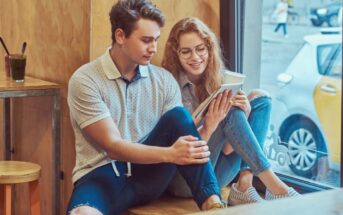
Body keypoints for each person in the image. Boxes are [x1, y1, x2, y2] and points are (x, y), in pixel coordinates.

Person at [66, 1, 225, 214]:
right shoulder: (86, 80)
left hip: (150, 176)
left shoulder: (164, 80)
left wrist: (205, 130)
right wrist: (170, 154)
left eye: (156, 40)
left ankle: (213, 204)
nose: (154, 48)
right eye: (146, 40)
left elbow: (182, 132)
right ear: (120, 36)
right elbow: (113, 146)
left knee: (178, 116)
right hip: (101, 176)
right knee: (81, 213)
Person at [161, 17, 299, 206]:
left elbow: (228, 149)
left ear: (209, 48)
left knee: (261, 99)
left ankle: (244, 187)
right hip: (187, 180)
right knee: (228, 109)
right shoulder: (168, 85)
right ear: (176, 53)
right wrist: (211, 124)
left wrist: (245, 113)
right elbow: (181, 151)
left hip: (217, 170)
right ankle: (278, 189)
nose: (195, 57)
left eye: (200, 49)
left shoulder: (217, 79)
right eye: (186, 51)